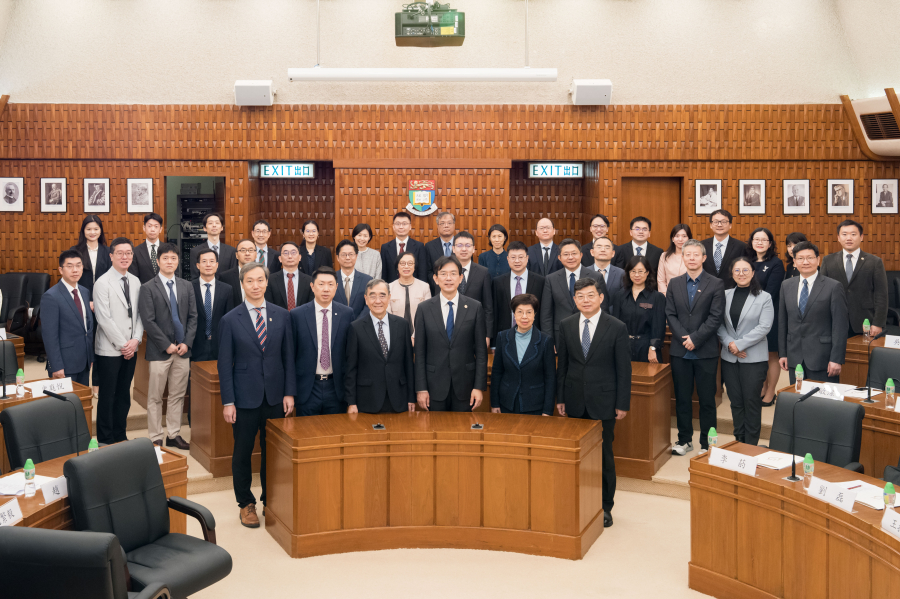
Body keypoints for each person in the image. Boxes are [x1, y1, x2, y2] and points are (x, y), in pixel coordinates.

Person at [218, 262, 296, 528]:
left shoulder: (282, 315)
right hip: (244, 398)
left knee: (272, 453)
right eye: (250, 281)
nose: (255, 285)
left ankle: (269, 500)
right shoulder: (230, 319)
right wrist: (228, 401)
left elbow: (288, 357)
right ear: (242, 284)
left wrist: (289, 393)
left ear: (266, 282)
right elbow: (224, 364)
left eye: (260, 280)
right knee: (242, 452)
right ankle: (245, 503)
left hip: (275, 397)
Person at [556, 278, 631, 528]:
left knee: (603, 455)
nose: (585, 300)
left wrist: (622, 403)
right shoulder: (566, 325)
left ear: (601, 297)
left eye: (590, 295)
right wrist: (561, 398)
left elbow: (624, 370)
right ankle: (577, 500)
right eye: (580, 296)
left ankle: (605, 506)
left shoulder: (617, 327)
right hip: (574, 400)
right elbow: (563, 365)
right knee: (576, 455)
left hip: (605, 401)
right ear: (574, 300)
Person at [666, 239, 725, 457]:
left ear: (704, 258)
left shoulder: (716, 283)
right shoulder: (674, 283)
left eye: (696, 254)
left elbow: (716, 317)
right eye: (687, 254)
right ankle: (684, 440)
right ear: (682, 257)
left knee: (707, 399)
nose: (691, 258)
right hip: (680, 351)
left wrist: (696, 339)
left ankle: (707, 443)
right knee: (682, 398)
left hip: (705, 350)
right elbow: (670, 314)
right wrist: (685, 339)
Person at [137, 243, 197, 450]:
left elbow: (193, 317)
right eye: (165, 258)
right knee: (155, 397)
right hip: (159, 351)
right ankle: (156, 436)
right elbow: (148, 321)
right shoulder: (147, 287)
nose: (170, 262)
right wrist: (166, 345)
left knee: (177, 395)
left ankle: (173, 434)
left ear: (178, 261)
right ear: (158, 261)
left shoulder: (186, 286)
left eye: (173, 258)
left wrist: (186, 342)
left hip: (183, 350)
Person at [414, 255, 488, 411]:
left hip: (466, 386)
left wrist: (478, 387)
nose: (448, 278)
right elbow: (419, 352)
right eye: (443, 274)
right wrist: (421, 388)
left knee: (463, 427)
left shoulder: (475, 307)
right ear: (435, 278)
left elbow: (481, 352)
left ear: (460, 278)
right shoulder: (424, 309)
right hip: (433, 386)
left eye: (453, 273)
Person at [718, 257, 774, 446]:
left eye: (745, 270)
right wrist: (730, 344)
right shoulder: (724, 295)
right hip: (729, 358)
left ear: (753, 272)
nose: (741, 274)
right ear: (732, 273)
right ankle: (739, 442)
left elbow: (764, 327)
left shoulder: (764, 297)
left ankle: (751, 446)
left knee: (751, 402)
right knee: (735, 402)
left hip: (754, 359)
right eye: (737, 270)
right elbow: (718, 324)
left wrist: (739, 345)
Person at [92, 238, 143, 444]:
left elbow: (140, 315)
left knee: (123, 394)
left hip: (131, 348)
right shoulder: (102, 283)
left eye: (128, 253)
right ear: (111, 256)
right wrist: (124, 345)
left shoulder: (136, 281)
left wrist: (136, 340)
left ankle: (120, 435)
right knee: (108, 395)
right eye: (120, 253)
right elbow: (104, 319)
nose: (125, 257)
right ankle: (105, 438)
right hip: (110, 350)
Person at [778, 241, 848, 384]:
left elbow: (840, 326)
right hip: (794, 356)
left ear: (818, 260)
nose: (805, 262)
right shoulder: (786, 285)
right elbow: (782, 322)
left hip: (823, 358)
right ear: (794, 262)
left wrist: (836, 359)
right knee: (796, 396)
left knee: (822, 398)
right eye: (800, 258)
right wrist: (783, 353)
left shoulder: (833, 286)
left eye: (810, 257)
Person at [344, 279, 416, 414]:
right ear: (366, 299)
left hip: (399, 398)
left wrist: (411, 397)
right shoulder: (356, 328)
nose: (378, 301)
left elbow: (408, 364)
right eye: (372, 296)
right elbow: (351, 369)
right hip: (368, 399)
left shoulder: (402, 325)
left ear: (389, 298)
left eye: (382, 295)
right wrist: (351, 402)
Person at [291, 267, 354, 416]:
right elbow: (291, 355)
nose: (326, 289)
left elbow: (350, 354)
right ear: (312, 286)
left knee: (335, 430)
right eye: (321, 284)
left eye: (330, 284)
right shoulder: (297, 314)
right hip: (307, 388)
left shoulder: (347, 313)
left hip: (336, 388)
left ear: (336, 287)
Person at [819, 220, 888, 338]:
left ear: (861, 237)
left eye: (853, 234)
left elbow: (881, 294)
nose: (849, 238)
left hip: (865, 322)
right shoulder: (828, 260)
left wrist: (878, 323)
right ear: (838, 238)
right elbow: (822, 292)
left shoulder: (874, 262)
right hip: (834, 321)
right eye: (844, 234)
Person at [490, 294, 555, 415]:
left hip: (535, 405)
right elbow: (497, 372)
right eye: (520, 312)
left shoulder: (545, 341)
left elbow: (550, 377)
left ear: (535, 314)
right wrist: (494, 403)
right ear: (514, 314)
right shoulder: (502, 337)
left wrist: (547, 410)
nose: (524, 316)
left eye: (529, 312)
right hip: (507, 403)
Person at [41, 250, 94, 386]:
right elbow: (49, 335)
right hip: (64, 364)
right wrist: (56, 365)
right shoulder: (51, 296)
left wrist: (90, 356)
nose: (75, 270)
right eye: (70, 266)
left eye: (78, 265)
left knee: (82, 398)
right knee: (65, 400)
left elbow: (86, 327)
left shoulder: (84, 292)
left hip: (84, 361)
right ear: (61, 270)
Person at [540, 238, 608, 345]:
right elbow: (546, 314)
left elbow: (603, 308)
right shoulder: (551, 279)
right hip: (560, 335)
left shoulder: (596, 277)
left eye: (574, 253)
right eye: (566, 254)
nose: (570, 257)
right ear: (559, 258)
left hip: (591, 333)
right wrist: (548, 341)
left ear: (581, 255)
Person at [747, 228, 785, 407]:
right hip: (748, 315)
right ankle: (762, 387)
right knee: (758, 353)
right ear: (751, 242)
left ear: (770, 243)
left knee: (770, 354)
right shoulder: (747, 261)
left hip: (769, 314)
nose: (760, 242)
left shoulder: (776, 263)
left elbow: (771, 292)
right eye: (756, 239)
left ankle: (771, 391)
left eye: (764, 240)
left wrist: (754, 308)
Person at [612, 256, 666, 363]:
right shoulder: (619, 296)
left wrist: (653, 348)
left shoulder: (657, 297)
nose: (637, 275)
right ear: (628, 273)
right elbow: (615, 325)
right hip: (624, 346)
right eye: (633, 271)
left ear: (647, 273)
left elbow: (658, 326)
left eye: (641, 271)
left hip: (647, 347)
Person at [492, 241, 546, 336]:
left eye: (521, 257)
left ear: (527, 258)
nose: (517, 261)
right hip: (505, 335)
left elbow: (544, 311)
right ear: (508, 259)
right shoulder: (498, 282)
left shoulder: (540, 281)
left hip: (534, 334)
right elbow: (495, 312)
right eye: (513, 257)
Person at [191, 247, 234, 362]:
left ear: (217, 265)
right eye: (204, 261)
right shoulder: (188, 288)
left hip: (219, 345)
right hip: (195, 345)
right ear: (198, 265)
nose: (208, 264)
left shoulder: (227, 289)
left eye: (212, 261)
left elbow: (229, 319)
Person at [453, 231, 494, 341]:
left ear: (473, 249)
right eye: (459, 245)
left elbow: (488, 306)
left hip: (476, 329)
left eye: (468, 245)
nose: (464, 249)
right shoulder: (445, 271)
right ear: (453, 249)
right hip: (450, 327)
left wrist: (487, 334)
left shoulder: (483, 272)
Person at [386, 251, 431, 341]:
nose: (406, 266)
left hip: (419, 335)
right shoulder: (389, 287)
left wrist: (415, 336)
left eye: (410, 263)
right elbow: (387, 315)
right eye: (402, 263)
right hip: (395, 335)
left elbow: (427, 314)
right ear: (397, 266)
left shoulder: (424, 287)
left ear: (414, 267)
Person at [701, 209, 748, 289]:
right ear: (711, 225)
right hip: (706, 290)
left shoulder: (741, 246)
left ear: (730, 225)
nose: (719, 225)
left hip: (732, 290)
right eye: (716, 222)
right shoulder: (701, 245)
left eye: (724, 222)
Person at [380, 211, 427, 283]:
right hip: (392, 287)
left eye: (404, 224)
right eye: (397, 224)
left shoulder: (419, 246)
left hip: (414, 286)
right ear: (393, 227)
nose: (401, 227)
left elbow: (422, 272)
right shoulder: (385, 247)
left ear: (410, 226)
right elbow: (384, 273)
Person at [265, 241, 313, 310]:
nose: (290, 256)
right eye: (286, 253)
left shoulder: (309, 280)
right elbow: (269, 306)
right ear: (280, 258)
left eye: (293, 252)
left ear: (300, 257)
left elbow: (311, 306)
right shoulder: (270, 280)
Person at [71, 215, 111, 294]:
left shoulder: (108, 251)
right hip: (81, 294)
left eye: (96, 229)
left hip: (104, 294)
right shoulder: (74, 251)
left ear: (100, 231)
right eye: (88, 229)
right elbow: (71, 275)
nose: (92, 232)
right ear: (83, 231)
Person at [333, 240, 373, 320]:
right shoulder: (331, 279)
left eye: (351, 254)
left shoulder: (367, 280)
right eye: (343, 254)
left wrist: (357, 324)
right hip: (336, 323)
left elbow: (369, 305)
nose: (347, 258)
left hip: (360, 325)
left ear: (356, 256)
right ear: (337, 257)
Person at [189, 212, 237, 279]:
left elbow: (233, 275)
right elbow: (195, 276)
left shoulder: (231, 251)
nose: (214, 225)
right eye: (210, 223)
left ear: (222, 228)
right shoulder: (195, 251)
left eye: (217, 223)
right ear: (204, 228)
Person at [218, 239, 258, 308]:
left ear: (256, 254)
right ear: (236, 255)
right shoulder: (225, 277)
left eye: (251, 250)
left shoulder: (264, 276)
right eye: (243, 250)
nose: (247, 253)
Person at [424, 211, 457, 291]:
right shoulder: (429, 246)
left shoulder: (461, 245)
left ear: (454, 225)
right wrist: (438, 285)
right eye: (442, 223)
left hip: (459, 289)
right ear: (437, 226)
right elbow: (428, 271)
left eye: (449, 223)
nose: (446, 226)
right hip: (436, 290)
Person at [128, 213, 164, 284]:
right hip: (143, 289)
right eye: (149, 226)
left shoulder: (168, 250)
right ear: (144, 228)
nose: (152, 229)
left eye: (156, 226)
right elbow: (133, 277)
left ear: (160, 229)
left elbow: (174, 274)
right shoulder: (136, 251)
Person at [657, 224, 692, 295]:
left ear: (689, 238)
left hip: (689, 295)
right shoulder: (664, 256)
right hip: (668, 295)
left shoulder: (693, 256)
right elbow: (661, 280)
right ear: (672, 238)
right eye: (677, 236)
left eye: (684, 236)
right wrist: (667, 296)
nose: (680, 239)